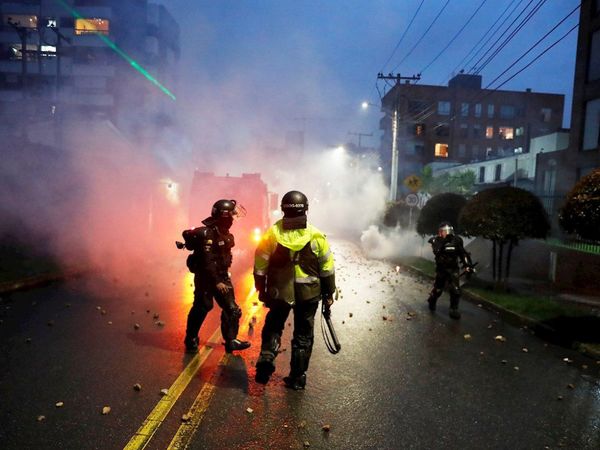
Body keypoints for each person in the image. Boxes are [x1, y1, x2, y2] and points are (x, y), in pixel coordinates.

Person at [253, 190, 335, 390]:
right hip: (309, 294)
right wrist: (329, 294)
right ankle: (297, 378)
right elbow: (327, 268)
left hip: (279, 292)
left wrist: (261, 290)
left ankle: (267, 356)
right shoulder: (316, 236)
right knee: (303, 335)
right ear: (306, 209)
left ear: (283, 209)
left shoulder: (272, 234)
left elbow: (260, 266)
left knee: (273, 325)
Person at [180, 199, 251, 354]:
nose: (233, 219)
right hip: (206, 278)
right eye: (231, 215)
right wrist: (217, 282)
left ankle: (231, 341)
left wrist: (224, 275)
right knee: (202, 307)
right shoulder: (208, 235)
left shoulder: (225, 234)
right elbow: (207, 262)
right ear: (224, 216)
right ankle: (191, 338)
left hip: (222, 276)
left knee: (232, 310)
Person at [427, 221, 474, 320]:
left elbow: (463, 253)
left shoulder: (457, 240)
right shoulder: (435, 240)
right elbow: (437, 251)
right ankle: (432, 300)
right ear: (439, 232)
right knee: (438, 289)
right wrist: (445, 242)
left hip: (453, 268)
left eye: (447, 231)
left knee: (455, 289)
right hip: (441, 268)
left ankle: (454, 309)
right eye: (443, 231)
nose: (445, 233)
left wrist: (467, 265)